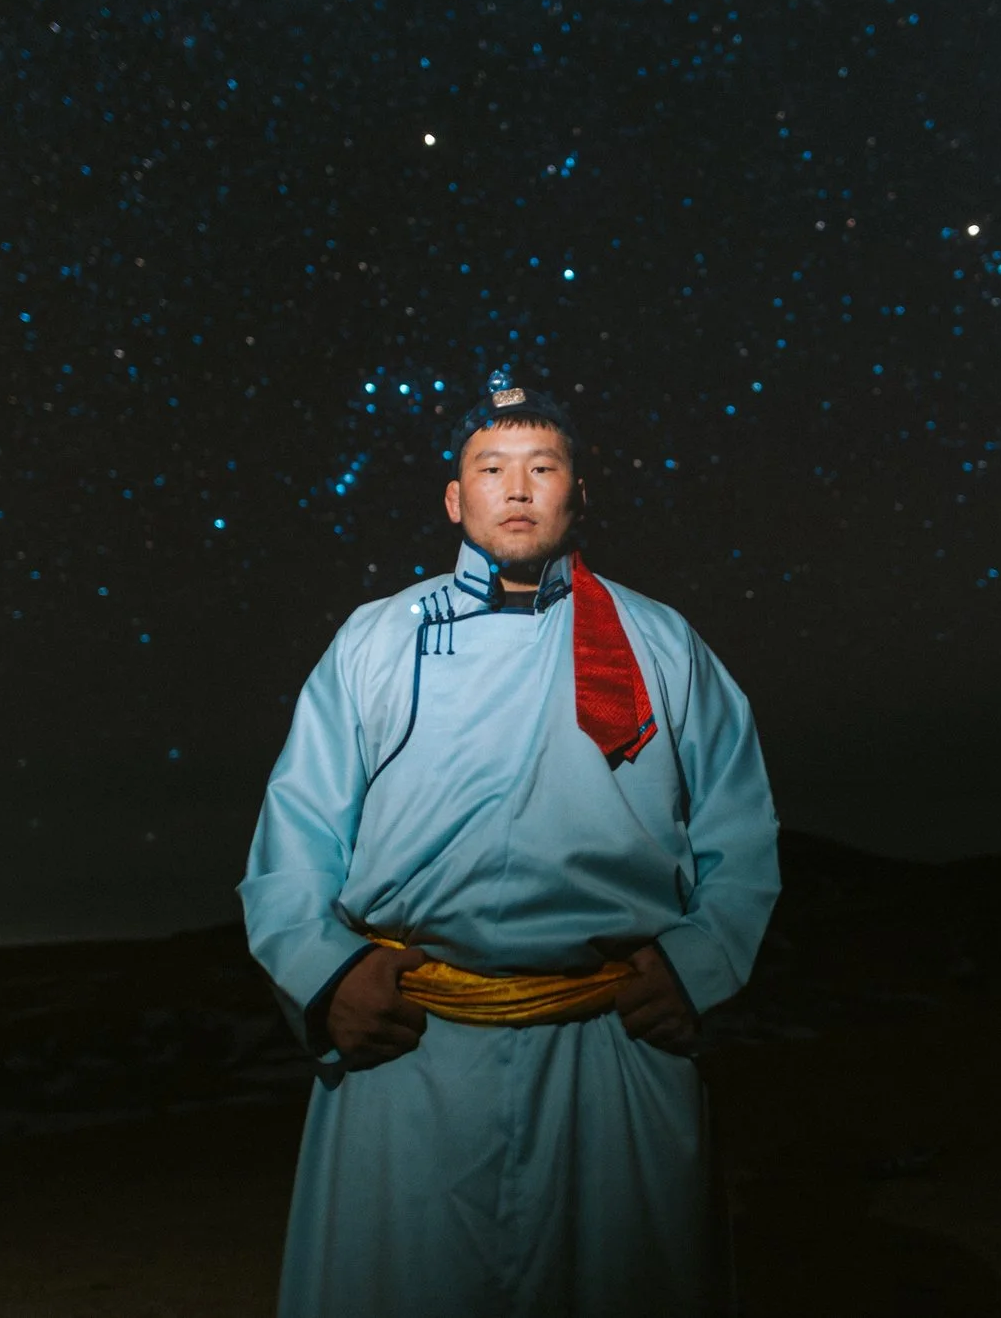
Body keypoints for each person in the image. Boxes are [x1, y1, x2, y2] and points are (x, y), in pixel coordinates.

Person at [239, 371, 783, 1318]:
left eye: (544, 465)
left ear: (579, 492)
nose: (519, 487)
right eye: (491, 467)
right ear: (456, 497)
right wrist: (328, 979)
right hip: (410, 1042)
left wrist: (698, 965)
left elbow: (740, 822)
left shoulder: (659, 640)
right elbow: (297, 832)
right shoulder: (375, 639)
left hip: (613, 1038)